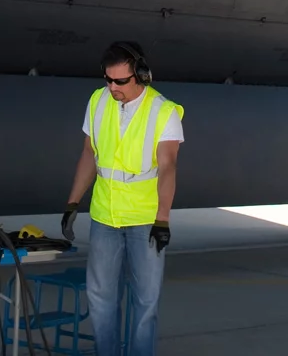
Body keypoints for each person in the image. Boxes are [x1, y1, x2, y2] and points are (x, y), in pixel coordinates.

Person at [59, 41, 183, 356]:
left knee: (145, 301)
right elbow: (90, 154)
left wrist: (163, 219)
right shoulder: (98, 101)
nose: (113, 87)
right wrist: (73, 203)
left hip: (145, 220)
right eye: (108, 79)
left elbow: (168, 166)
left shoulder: (163, 111)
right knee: (100, 298)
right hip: (104, 216)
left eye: (121, 81)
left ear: (141, 75)